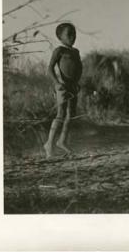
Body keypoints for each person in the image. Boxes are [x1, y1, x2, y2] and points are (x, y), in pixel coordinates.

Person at [44, 23, 82, 158]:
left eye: (74, 34)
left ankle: (62, 141)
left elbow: (78, 68)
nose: (73, 37)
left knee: (70, 114)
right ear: (60, 37)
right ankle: (49, 144)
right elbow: (50, 69)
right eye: (69, 35)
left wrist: (77, 82)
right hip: (62, 86)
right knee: (60, 114)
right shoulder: (59, 50)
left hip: (73, 86)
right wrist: (57, 83)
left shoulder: (76, 52)